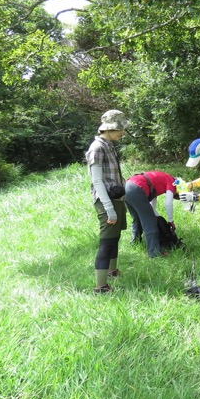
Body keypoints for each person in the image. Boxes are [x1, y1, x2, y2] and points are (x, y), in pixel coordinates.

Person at [85, 110, 129, 294]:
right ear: (110, 129)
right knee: (106, 242)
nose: (122, 133)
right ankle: (100, 286)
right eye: (120, 129)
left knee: (115, 237)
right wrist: (109, 209)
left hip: (117, 198)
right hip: (106, 201)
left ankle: (112, 271)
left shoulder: (109, 145)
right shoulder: (97, 148)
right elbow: (97, 181)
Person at [124, 171, 178, 258]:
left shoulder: (160, 179)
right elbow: (168, 203)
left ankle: (135, 242)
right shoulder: (171, 181)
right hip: (137, 188)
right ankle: (154, 253)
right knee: (150, 223)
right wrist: (170, 220)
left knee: (137, 218)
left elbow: (152, 206)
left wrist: (156, 217)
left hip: (127, 186)